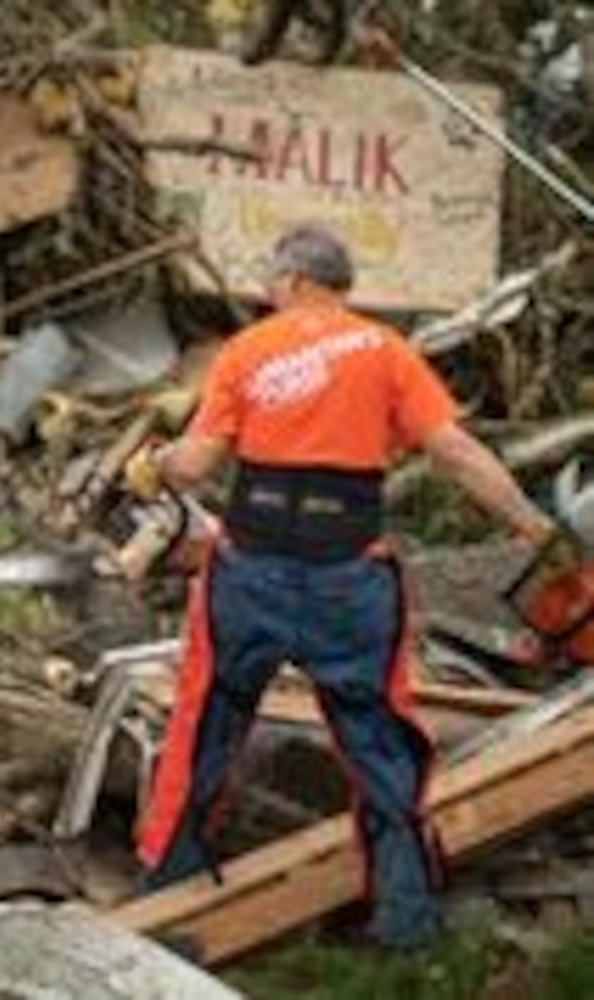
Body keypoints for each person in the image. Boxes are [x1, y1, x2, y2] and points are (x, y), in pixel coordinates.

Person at [125, 223, 555, 950]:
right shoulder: (387, 352)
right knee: (380, 739)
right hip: (349, 575)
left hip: (250, 573)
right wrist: (530, 525)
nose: (267, 290)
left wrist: (157, 462)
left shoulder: (247, 350)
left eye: (271, 278)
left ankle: (169, 898)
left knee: (205, 726)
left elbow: (196, 467)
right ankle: (407, 921)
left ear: (293, 281)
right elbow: (453, 449)